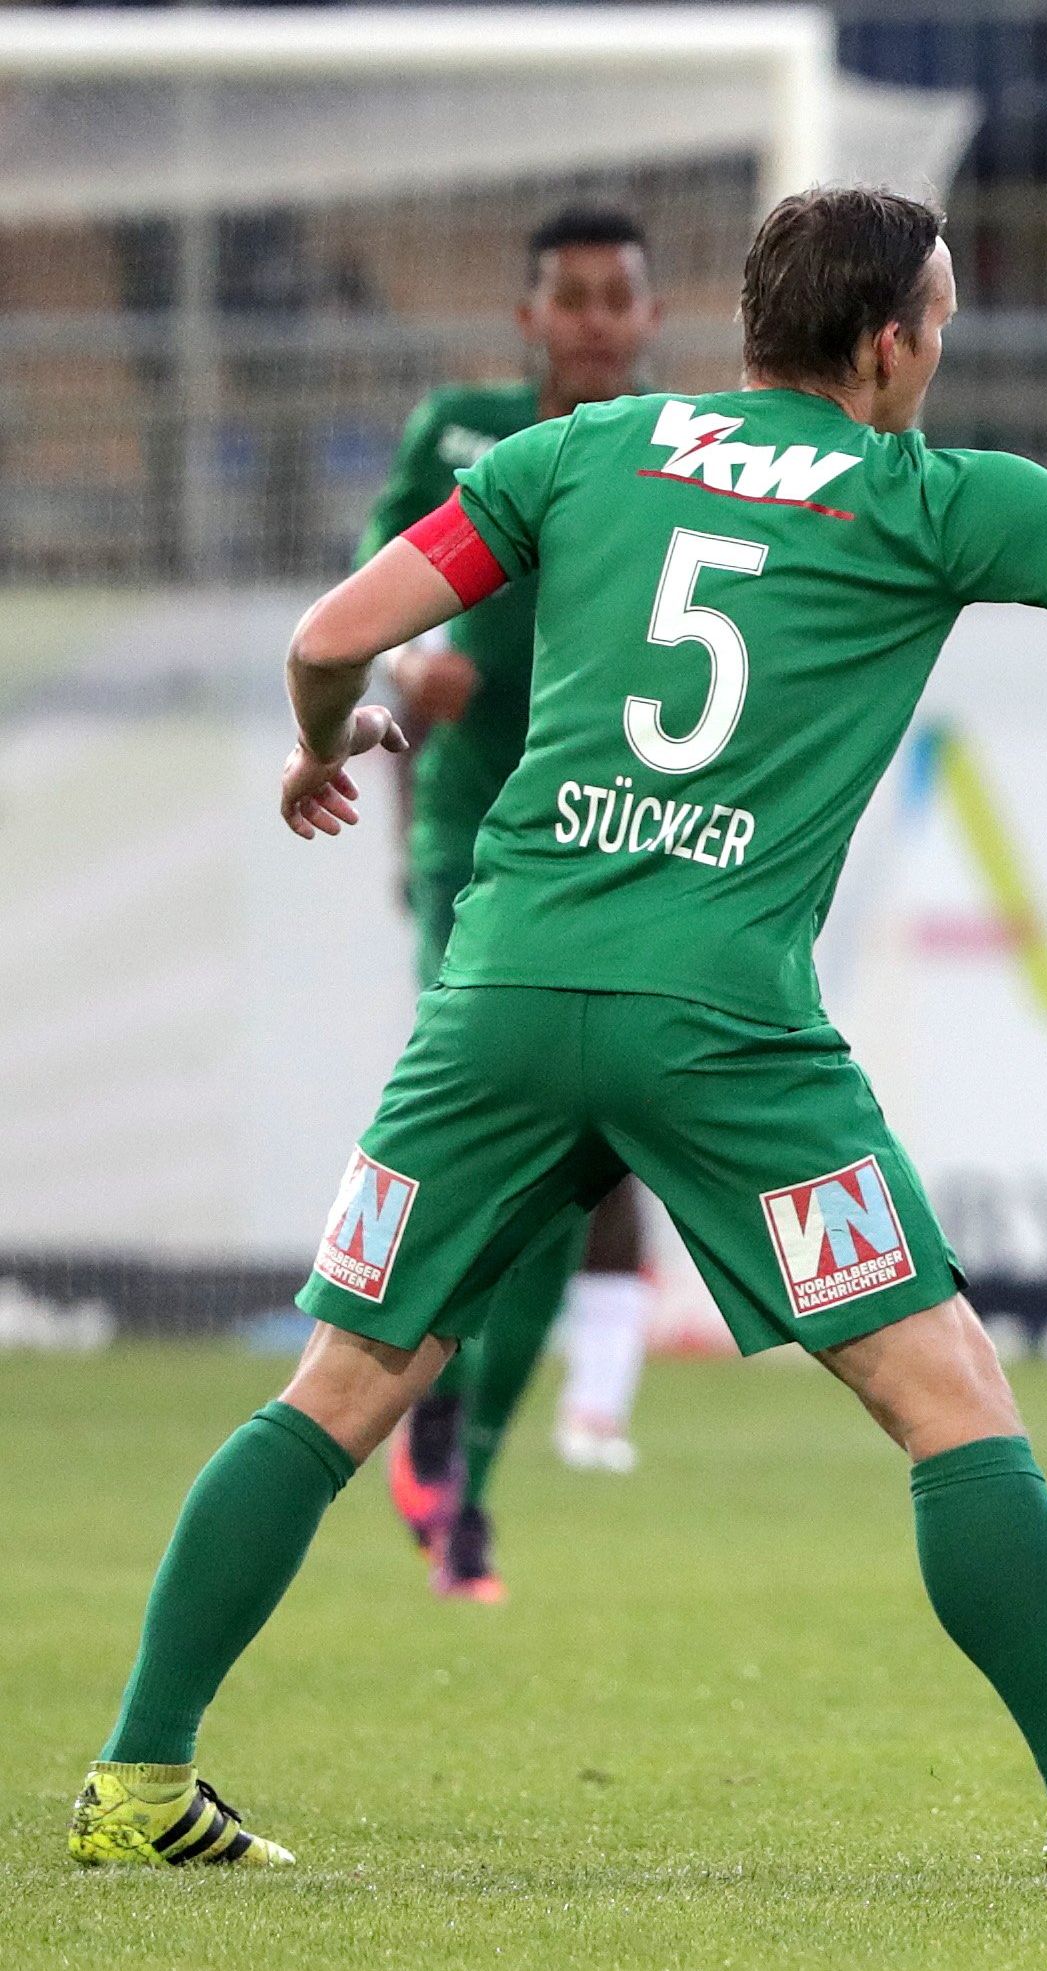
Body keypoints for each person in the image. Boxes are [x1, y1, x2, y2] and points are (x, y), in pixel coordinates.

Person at [65, 186, 1047, 1876]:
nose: (942, 348)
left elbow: (331, 638)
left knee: (341, 1383)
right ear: (887, 343)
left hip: (501, 996)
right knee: (947, 1395)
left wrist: (326, 743)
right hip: (720, 1025)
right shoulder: (924, 500)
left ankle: (138, 1776)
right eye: (940, 320)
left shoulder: (579, 453)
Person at [367, 206, 665, 1606]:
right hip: (470, 843)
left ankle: (461, 1457)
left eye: (621, 297)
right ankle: (401, 1365)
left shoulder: (675, 453)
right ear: (529, 321)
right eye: (576, 297)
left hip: (612, 849)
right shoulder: (460, 434)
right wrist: (408, 676)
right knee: (489, 1138)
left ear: (649, 320)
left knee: (571, 1172)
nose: (599, 318)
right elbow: (383, 606)